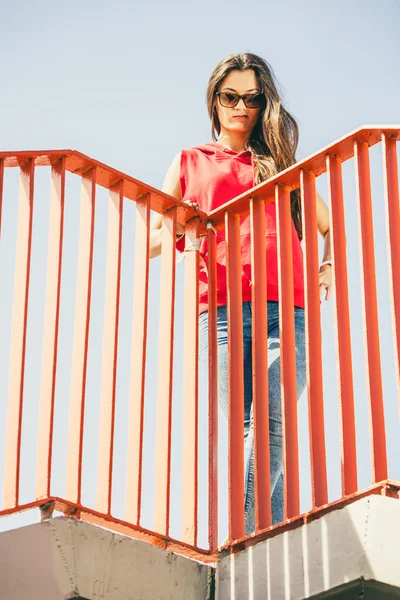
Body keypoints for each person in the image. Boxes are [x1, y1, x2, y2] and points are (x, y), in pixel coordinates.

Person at [150, 53, 332, 535]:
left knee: (272, 419)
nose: (241, 107)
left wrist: (327, 261)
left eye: (252, 98)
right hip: (224, 311)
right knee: (251, 429)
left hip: (286, 308)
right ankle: (267, 534)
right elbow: (153, 239)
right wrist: (183, 220)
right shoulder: (190, 160)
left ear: (262, 103)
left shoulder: (282, 165)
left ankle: (246, 534)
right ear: (215, 100)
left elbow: (327, 224)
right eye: (231, 97)